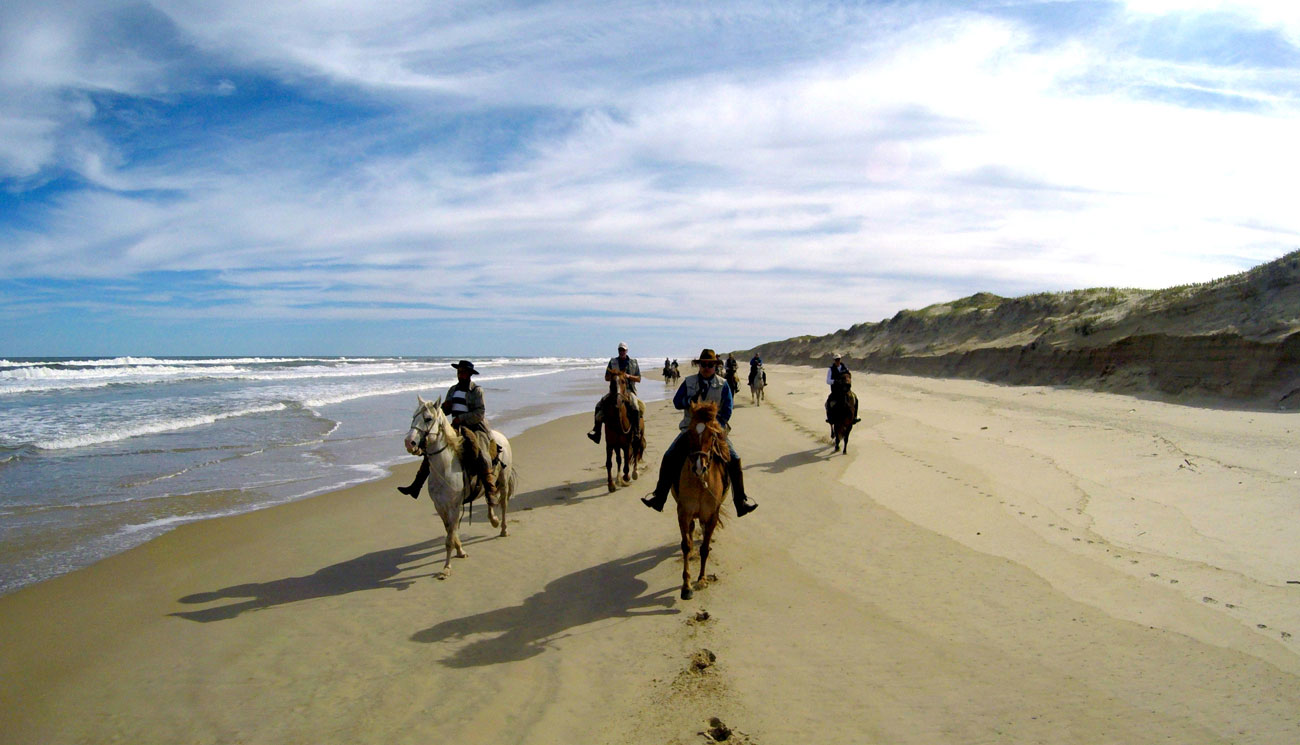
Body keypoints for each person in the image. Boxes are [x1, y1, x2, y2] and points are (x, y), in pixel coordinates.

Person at [642, 348, 758, 517]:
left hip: (714, 430)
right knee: (669, 456)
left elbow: (727, 409)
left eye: (710, 365)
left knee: (735, 459)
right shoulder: (689, 382)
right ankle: (659, 496)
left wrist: (713, 427)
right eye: (703, 364)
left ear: (715, 366)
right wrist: (689, 400)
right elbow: (676, 402)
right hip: (691, 429)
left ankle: (740, 501)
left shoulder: (723, 384)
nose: (706, 367)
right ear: (699, 365)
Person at [398, 360, 499, 502]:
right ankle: (416, 485)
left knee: (481, 452)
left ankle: (490, 489)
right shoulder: (453, 390)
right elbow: (445, 411)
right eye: (459, 372)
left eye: (463, 372)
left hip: (475, 428)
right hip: (455, 427)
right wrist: (441, 409)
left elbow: (479, 413)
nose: (460, 375)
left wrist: (461, 419)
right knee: (431, 450)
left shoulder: (476, 390)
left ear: (469, 374)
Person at [586, 342, 644, 443]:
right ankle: (597, 433)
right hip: (614, 392)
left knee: (635, 406)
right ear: (618, 351)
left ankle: (636, 432)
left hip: (628, 391)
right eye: (620, 350)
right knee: (599, 405)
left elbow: (639, 378)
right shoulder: (612, 362)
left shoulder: (633, 362)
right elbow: (606, 377)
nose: (622, 352)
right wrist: (614, 376)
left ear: (626, 351)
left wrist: (628, 376)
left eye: (623, 350)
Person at [824, 353, 857, 424]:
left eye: (838, 359)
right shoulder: (831, 369)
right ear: (834, 360)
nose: (837, 361)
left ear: (840, 359)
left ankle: (855, 417)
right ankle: (830, 419)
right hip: (836, 391)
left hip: (846, 390)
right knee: (828, 403)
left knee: (855, 399)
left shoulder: (845, 368)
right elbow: (828, 381)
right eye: (836, 360)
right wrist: (835, 381)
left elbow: (849, 376)